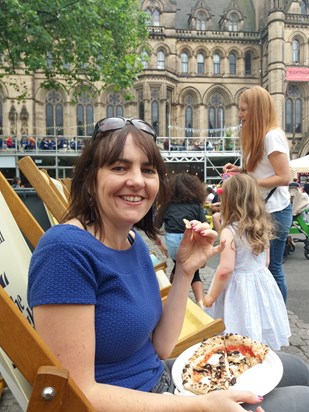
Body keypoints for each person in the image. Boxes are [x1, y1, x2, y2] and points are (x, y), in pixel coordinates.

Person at [27, 116, 309, 411]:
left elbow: (160, 347)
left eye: (147, 170)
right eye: (119, 167)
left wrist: (185, 271)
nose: (136, 180)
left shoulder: (131, 240)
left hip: (162, 381)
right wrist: (199, 406)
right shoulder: (65, 252)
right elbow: (75, 394)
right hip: (136, 401)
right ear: (90, 177)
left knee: (297, 368)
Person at [203, 174, 291, 350]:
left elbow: (225, 269)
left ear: (228, 201)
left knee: (238, 319)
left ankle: (240, 352)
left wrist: (211, 297)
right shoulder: (262, 226)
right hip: (261, 280)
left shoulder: (230, 231)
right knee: (258, 316)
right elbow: (266, 261)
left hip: (238, 285)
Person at [224, 86, 292, 302]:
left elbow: (284, 177)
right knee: (259, 267)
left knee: (272, 269)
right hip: (262, 210)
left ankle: (279, 319)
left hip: (275, 211)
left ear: (257, 110)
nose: (239, 114)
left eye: (244, 109)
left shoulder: (272, 137)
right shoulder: (262, 136)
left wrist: (251, 181)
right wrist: (240, 170)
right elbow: (262, 169)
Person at [155, 173, 207, 307]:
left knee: (179, 266)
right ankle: (200, 303)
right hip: (190, 239)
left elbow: (155, 227)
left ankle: (172, 297)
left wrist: (160, 244)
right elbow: (205, 225)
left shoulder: (167, 205)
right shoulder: (196, 205)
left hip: (172, 242)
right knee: (194, 270)